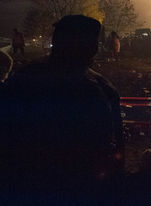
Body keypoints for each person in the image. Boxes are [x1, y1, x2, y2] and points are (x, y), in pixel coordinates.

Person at [1, 15, 124, 200]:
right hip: (80, 189)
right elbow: (113, 149)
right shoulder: (100, 89)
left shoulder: (23, 79)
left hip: (25, 187)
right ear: (91, 48)